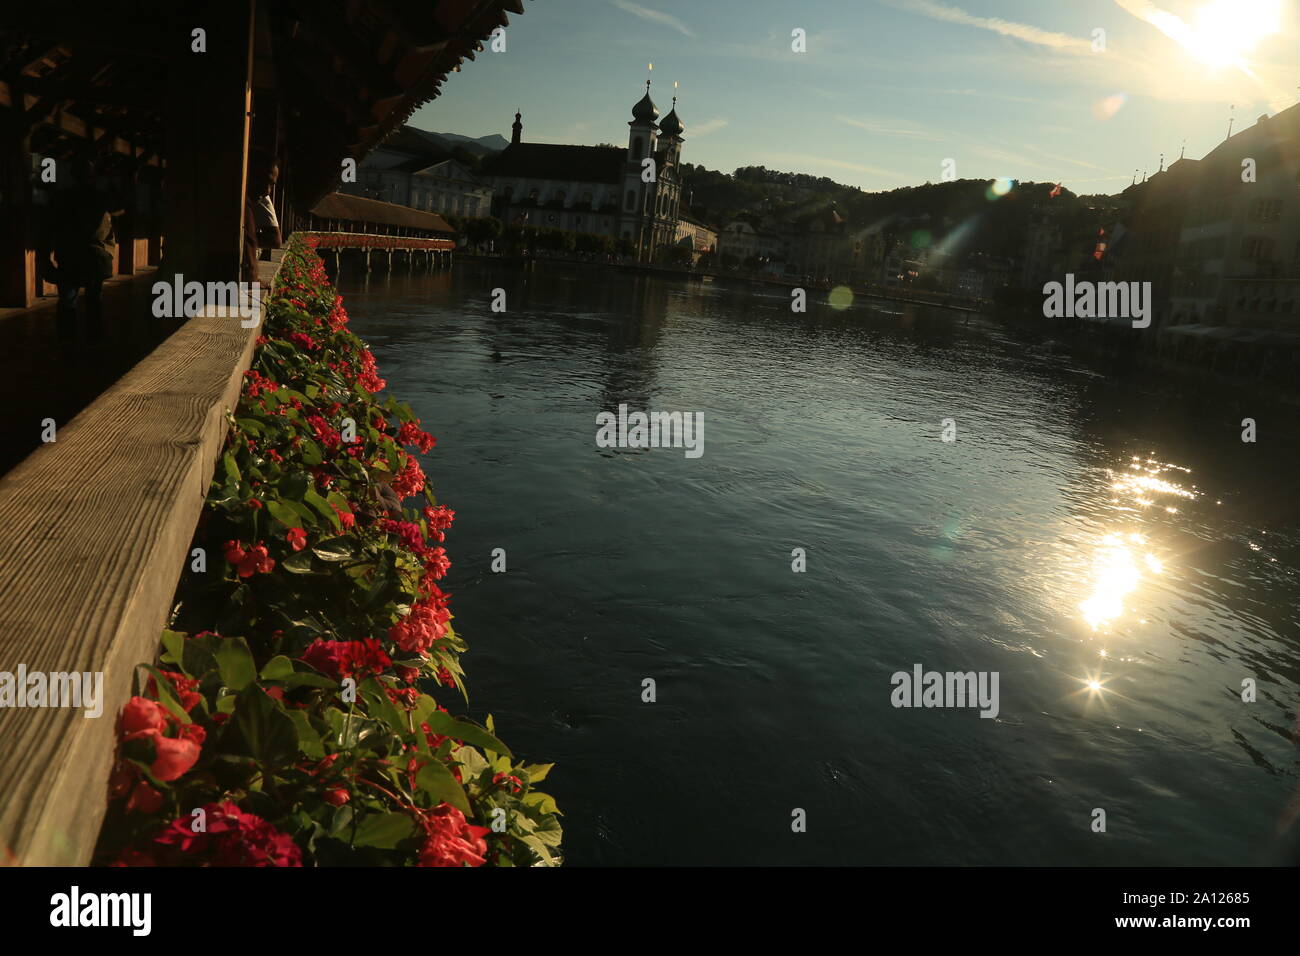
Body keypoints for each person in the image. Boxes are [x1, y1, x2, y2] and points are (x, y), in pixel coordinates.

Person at [41, 157, 121, 346]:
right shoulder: (101, 199)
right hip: (95, 258)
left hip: (69, 258)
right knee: (94, 303)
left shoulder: (60, 199)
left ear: (72, 175)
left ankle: (68, 344)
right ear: (92, 177)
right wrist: (108, 253)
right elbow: (112, 224)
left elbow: (46, 231)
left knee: (68, 302)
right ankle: (94, 343)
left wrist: (44, 260)